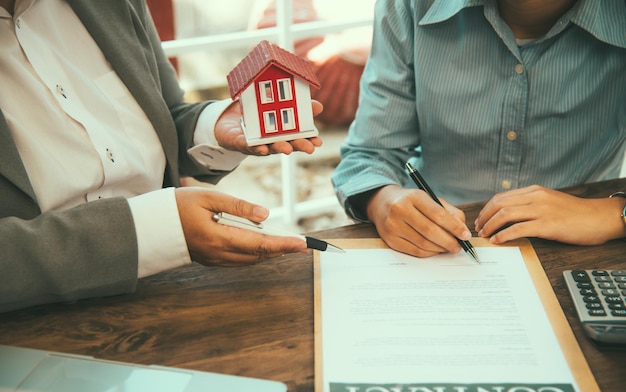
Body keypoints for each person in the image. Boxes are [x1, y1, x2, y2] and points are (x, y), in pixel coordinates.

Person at [0, 0, 323, 312]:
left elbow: (162, 115)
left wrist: (212, 126)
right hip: (29, 320)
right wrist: (157, 229)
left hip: (173, 287)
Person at [332, 0, 626, 259]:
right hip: (436, 247)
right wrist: (383, 200)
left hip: (581, 251)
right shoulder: (409, 5)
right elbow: (369, 155)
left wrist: (613, 215)